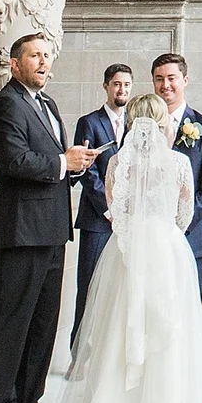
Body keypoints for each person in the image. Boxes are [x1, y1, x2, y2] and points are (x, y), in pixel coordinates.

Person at [45, 96, 202, 403]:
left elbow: (114, 209)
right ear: (161, 124)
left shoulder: (117, 164)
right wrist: (163, 234)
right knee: (168, 337)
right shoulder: (178, 163)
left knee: (119, 332)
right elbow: (183, 216)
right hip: (166, 252)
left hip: (125, 252)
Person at [0, 33, 96, 403]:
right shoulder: (4, 105)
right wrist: (63, 161)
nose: (44, 62)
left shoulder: (48, 104)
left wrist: (75, 166)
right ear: (15, 64)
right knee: (10, 323)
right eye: (34, 56)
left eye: (47, 55)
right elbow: (13, 161)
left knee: (43, 324)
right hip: (20, 232)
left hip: (52, 229)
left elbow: (52, 163)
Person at [70, 63, 133, 345]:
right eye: (117, 84)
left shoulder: (135, 123)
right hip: (98, 219)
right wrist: (108, 208)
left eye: (127, 85)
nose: (122, 90)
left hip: (127, 222)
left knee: (119, 290)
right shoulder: (89, 122)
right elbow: (87, 171)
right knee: (89, 286)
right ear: (106, 86)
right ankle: (78, 349)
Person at [149, 53, 202, 292]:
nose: (165, 85)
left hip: (191, 234)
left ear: (185, 80)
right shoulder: (141, 126)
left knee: (187, 305)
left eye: (171, 78)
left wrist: (182, 221)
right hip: (150, 239)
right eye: (159, 79)